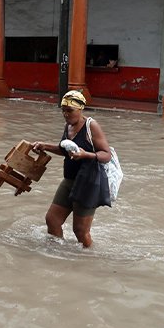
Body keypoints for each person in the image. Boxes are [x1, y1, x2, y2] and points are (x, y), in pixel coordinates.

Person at [32, 90, 112, 248]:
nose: (66, 114)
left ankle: (88, 259)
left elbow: (106, 154)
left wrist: (86, 155)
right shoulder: (67, 126)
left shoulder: (91, 126)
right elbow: (64, 150)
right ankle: (58, 253)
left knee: (80, 231)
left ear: (81, 109)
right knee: (52, 220)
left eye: (70, 111)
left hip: (88, 182)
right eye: (63, 110)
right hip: (69, 180)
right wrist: (45, 146)